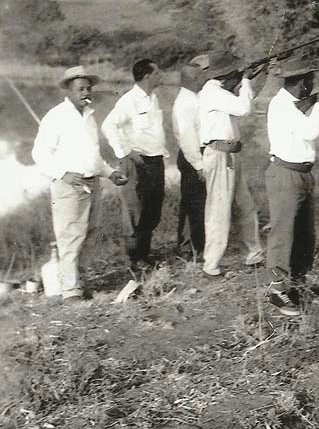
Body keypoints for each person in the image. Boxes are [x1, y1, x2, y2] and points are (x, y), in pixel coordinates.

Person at [32, 65, 128, 303]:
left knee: (90, 234)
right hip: (69, 186)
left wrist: (111, 172)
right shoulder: (56, 116)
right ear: (69, 90)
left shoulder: (89, 116)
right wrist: (63, 173)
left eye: (88, 88)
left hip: (92, 183)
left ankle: (80, 283)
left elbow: (93, 157)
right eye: (80, 89)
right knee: (70, 236)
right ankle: (70, 291)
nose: (86, 93)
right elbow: (39, 153)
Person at [265, 61, 319, 316]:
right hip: (286, 174)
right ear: (304, 82)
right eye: (311, 80)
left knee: (303, 234)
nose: (312, 85)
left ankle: (298, 284)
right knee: (283, 233)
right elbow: (311, 132)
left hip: (301, 174)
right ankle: (277, 290)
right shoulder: (281, 106)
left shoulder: (296, 104)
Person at [199, 51, 264, 276]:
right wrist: (246, 80)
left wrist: (251, 79)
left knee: (245, 205)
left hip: (229, 154)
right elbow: (244, 108)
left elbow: (246, 101)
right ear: (227, 75)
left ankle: (254, 253)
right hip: (220, 155)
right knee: (219, 210)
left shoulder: (220, 92)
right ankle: (211, 264)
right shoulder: (213, 93)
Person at [101, 59, 168, 273]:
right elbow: (108, 125)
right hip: (137, 162)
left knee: (152, 210)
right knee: (134, 211)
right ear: (147, 76)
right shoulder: (129, 101)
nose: (161, 75)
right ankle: (134, 260)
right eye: (158, 71)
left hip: (155, 160)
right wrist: (125, 152)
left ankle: (144, 256)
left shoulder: (153, 98)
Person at [172, 63, 207, 258]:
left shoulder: (193, 98)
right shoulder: (186, 103)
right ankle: (188, 247)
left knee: (196, 202)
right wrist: (198, 164)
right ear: (192, 79)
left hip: (194, 154)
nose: (204, 78)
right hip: (191, 155)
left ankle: (194, 245)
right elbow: (187, 137)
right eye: (201, 76)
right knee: (193, 203)